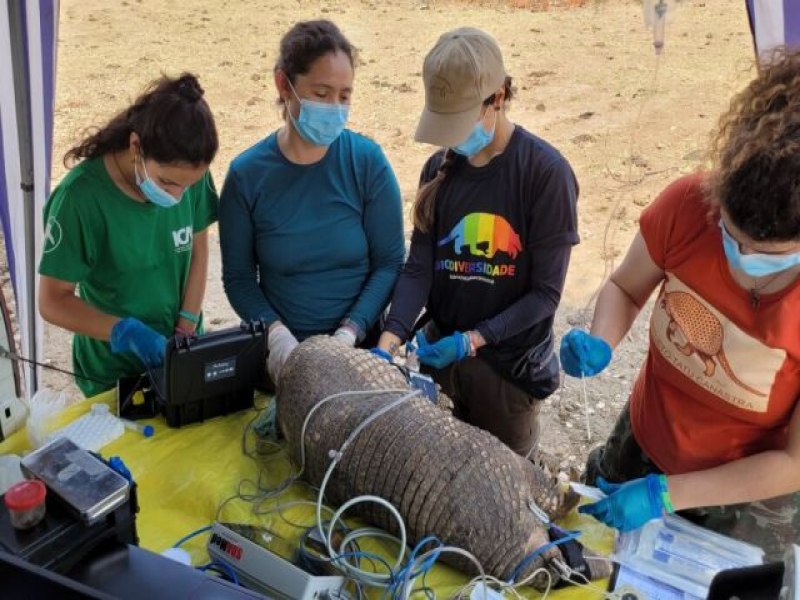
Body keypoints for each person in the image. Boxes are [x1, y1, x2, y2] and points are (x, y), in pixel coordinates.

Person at [561, 51, 800, 555]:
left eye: (769, 254)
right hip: (646, 442)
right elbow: (626, 288)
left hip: (747, 495)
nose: (744, 259)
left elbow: (794, 461)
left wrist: (672, 493)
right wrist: (602, 339)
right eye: (731, 235)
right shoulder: (688, 206)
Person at [376, 28, 580, 457]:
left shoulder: (544, 174)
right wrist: (389, 340)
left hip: (508, 374)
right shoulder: (438, 169)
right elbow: (419, 267)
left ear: (498, 97)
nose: (452, 139)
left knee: (501, 487)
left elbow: (545, 295)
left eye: (461, 122)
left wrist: (474, 340)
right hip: (440, 358)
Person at [219, 20, 405, 388]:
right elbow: (239, 278)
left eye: (345, 95)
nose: (334, 107)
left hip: (358, 353)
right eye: (321, 93)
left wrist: (351, 331)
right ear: (283, 85)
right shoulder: (246, 176)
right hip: (283, 359)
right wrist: (276, 335)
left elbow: (389, 262)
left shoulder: (366, 163)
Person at [38, 73, 219, 397]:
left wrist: (187, 325)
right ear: (136, 146)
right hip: (111, 373)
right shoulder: (80, 199)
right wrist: (123, 331)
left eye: (188, 185)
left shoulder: (188, 177)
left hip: (181, 353)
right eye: (167, 183)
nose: (178, 196)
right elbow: (52, 300)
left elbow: (199, 246)